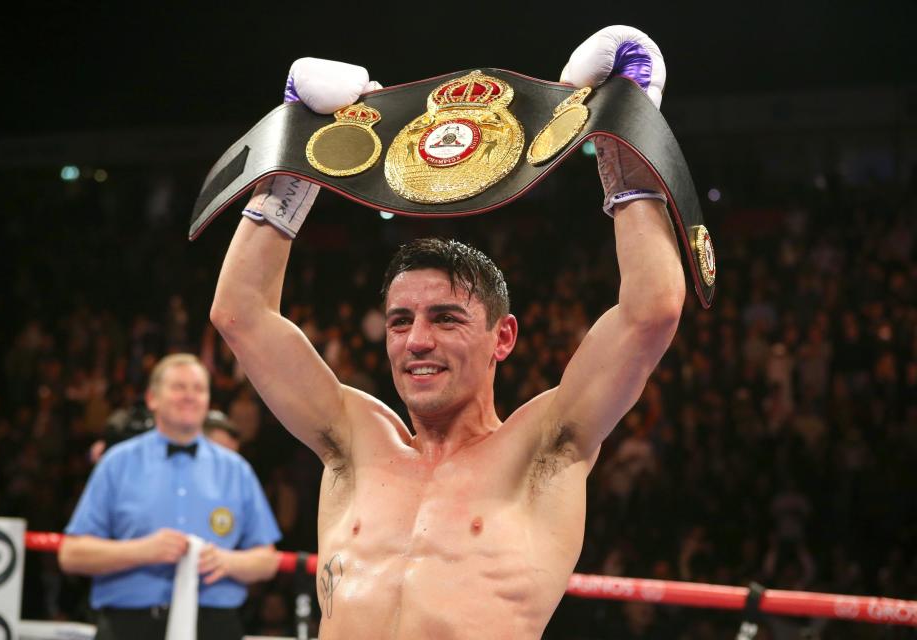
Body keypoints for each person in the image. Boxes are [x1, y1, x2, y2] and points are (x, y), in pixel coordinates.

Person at [210, 26, 683, 639]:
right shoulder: (354, 440)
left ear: (503, 338)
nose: (417, 341)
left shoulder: (543, 448)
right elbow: (239, 314)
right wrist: (296, 154)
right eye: (401, 321)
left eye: (446, 318)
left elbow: (652, 312)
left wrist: (629, 128)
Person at [58, 353, 281, 640]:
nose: (190, 396)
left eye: (198, 389)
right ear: (152, 398)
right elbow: (71, 554)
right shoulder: (117, 463)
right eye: (179, 387)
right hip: (130, 625)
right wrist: (140, 551)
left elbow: (267, 560)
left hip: (214, 625)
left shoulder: (236, 470)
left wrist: (227, 562)